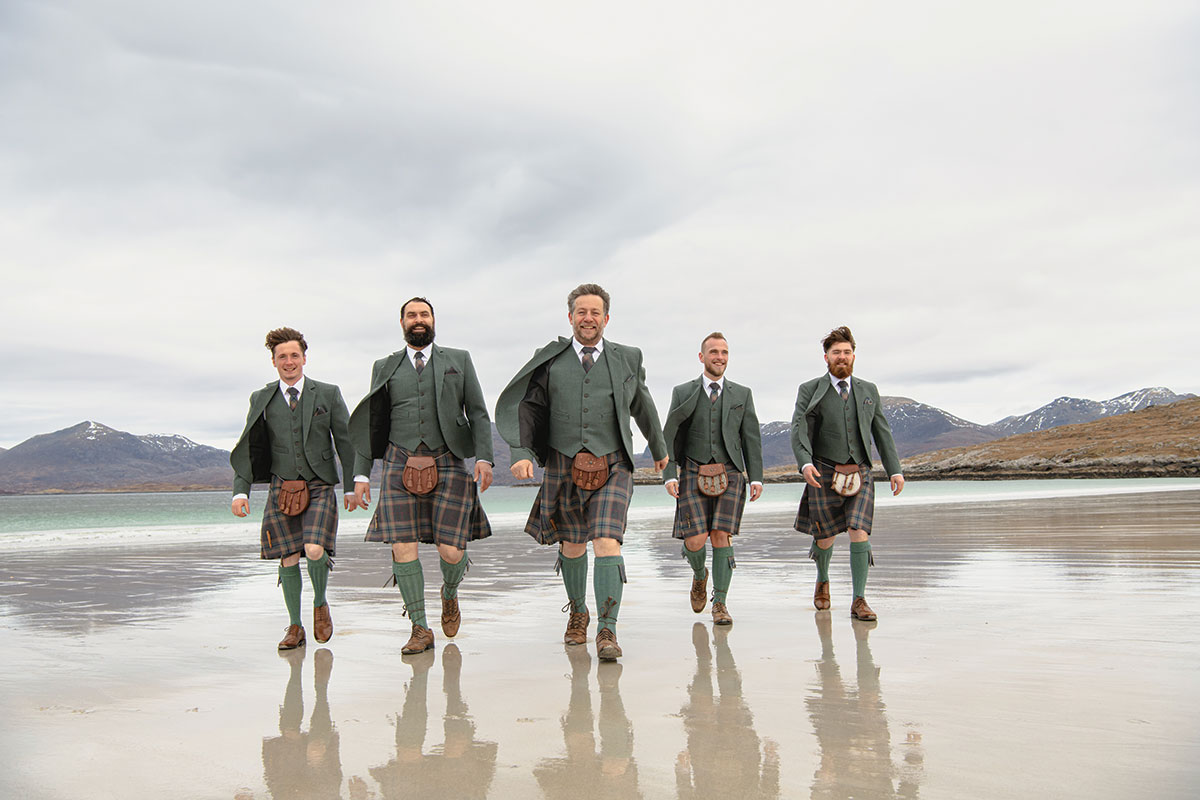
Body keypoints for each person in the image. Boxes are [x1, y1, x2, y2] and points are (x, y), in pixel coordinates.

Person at [496, 283, 668, 661]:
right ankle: (578, 613)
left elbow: (642, 403)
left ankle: (608, 629)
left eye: (595, 312)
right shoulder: (550, 359)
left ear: (606, 318)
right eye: (581, 312)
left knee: (607, 540)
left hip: (614, 463)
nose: (588, 318)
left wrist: (659, 447)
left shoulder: (628, 357)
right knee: (572, 544)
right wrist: (521, 452)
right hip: (563, 462)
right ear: (570, 316)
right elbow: (529, 407)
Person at [350, 297, 494, 656]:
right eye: (411, 315)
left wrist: (484, 458)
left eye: (424, 314)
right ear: (401, 323)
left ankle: (450, 593)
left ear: (433, 320)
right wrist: (361, 474)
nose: (418, 319)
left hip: (448, 458)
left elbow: (477, 412)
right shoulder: (384, 366)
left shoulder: (459, 360)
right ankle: (419, 627)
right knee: (402, 546)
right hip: (398, 461)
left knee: (452, 550)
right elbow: (372, 421)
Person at [230, 327, 358, 650]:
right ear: (273, 361)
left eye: (294, 355)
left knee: (314, 549)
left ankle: (320, 603)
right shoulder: (261, 398)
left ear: (304, 358)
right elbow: (249, 446)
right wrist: (241, 491)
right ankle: (295, 627)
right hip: (282, 486)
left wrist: (352, 485)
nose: (289, 362)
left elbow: (345, 442)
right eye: (282, 357)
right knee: (287, 556)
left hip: (319, 484)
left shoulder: (328, 393)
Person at [790, 326, 904, 620]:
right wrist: (805, 463)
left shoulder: (868, 390)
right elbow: (799, 429)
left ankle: (859, 599)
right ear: (826, 357)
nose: (842, 357)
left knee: (858, 530)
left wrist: (894, 470)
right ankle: (823, 579)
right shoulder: (810, 389)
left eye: (847, 352)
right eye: (836, 352)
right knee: (825, 536)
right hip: (824, 471)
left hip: (861, 471)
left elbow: (882, 432)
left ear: (854, 356)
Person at [662, 332, 763, 625]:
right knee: (695, 540)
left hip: (730, 471)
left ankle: (720, 603)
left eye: (724, 352)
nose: (720, 357)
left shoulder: (742, 394)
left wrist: (756, 477)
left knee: (721, 536)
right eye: (714, 352)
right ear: (702, 357)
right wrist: (669, 474)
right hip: (692, 470)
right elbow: (670, 434)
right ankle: (699, 575)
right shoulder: (683, 391)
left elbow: (751, 438)